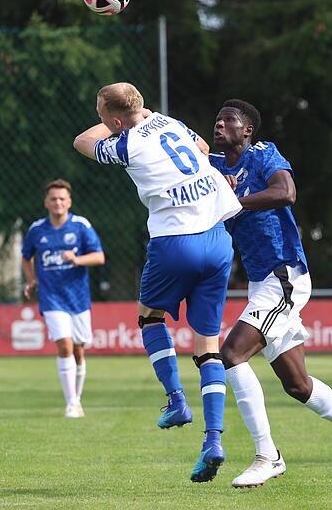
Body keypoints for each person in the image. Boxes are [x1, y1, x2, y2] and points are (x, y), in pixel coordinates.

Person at [209, 99, 332, 488]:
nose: (219, 124)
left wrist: (232, 202)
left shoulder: (262, 154)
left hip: (284, 274)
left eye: (229, 120)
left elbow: (286, 191)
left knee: (232, 353)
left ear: (248, 129)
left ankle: (267, 455)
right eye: (217, 119)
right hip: (262, 281)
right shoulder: (214, 167)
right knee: (298, 386)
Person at [73, 82, 242, 483]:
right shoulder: (171, 122)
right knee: (207, 346)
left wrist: (115, 125)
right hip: (218, 240)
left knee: (150, 319)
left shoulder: (126, 142)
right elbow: (203, 149)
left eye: (104, 116)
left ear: (114, 120)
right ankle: (213, 440)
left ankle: (175, 400)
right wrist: (145, 115)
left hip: (175, 242)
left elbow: (83, 141)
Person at [22, 179, 106, 418]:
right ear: (46, 202)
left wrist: (77, 260)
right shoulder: (37, 229)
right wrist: (31, 280)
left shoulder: (80, 226)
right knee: (64, 345)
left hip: (78, 298)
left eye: (62, 198)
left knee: (79, 351)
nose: (57, 202)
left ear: (69, 202)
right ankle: (71, 402)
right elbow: (25, 257)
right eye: (53, 199)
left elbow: (99, 256)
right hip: (51, 297)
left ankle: (77, 399)